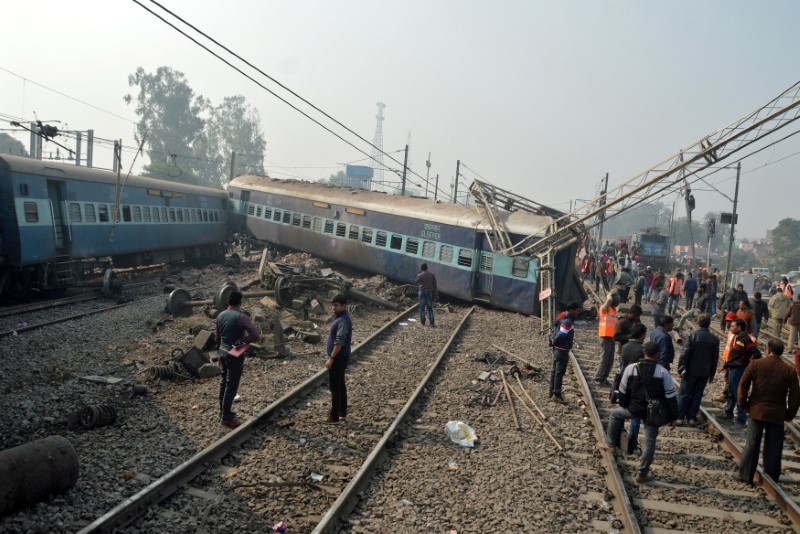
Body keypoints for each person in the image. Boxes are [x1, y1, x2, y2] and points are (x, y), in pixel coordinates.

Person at [598, 341, 679, 484]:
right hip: (653, 413)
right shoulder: (663, 372)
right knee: (650, 442)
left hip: (634, 408)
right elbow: (671, 397)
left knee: (615, 414)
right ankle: (642, 473)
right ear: (657, 355)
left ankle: (610, 444)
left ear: (644, 353)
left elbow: (622, 391)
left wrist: (625, 405)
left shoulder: (631, 368)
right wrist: (674, 417)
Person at [737, 339, 800, 484]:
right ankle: (771, 479)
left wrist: (743, 403)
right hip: (777, 413)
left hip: (756, 410)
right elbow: (795, 395)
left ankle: (746, 476)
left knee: (752, 444)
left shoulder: (756, 364)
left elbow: (743, 384)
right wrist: (790, 413)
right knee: (774, 447)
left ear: (767, 349)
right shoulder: (789, 370)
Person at [215, 290, 261, 428]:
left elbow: (217, 338)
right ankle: (227, 417)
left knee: (224, 382)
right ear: (240, 302)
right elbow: (255, 334)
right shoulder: (241, 317)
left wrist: (219, 355)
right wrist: (242, 341)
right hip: (234, 354)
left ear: (227, 301)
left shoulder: (220, 315)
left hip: (222, 352)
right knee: (231, 385)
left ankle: (222, 411)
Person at [676, 313, 719, 425]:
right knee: (697, 394)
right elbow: (715, 358)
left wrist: (681, 369)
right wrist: (712, 374)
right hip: (704, 372)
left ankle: (680, 417)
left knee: (684, 393)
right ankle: (691, 417)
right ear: (709, 324)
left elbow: (685, 354)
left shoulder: (692, 336)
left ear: (698, 323)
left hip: (690, 371)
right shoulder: (714, 339)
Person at [723, 318, 762, 425]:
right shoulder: (737, 337)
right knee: (731, 393)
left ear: (739, 327)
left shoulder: (746, 339)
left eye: (732, 326)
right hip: (733, 369)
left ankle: (741, 418)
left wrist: (746, 364)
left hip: (738, 370)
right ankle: (729, 413)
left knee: (738, 394)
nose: (730, 328)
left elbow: (757, 354)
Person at [620, 322, 647, 454]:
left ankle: (620, 439)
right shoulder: (643, 350)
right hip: (637, 386)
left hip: (626, 384)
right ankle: (632, 444)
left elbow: (622, 365)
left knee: (622, 412)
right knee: (635, 418)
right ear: (642, 335)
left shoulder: (624, 346)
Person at [325, 293, 353, 424]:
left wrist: (331, 358)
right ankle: (342, 412)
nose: (333, 308)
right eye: (333, 306)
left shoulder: (342, 320)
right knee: (340, 385)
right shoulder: (341, 317)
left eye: (336, 306)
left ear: (344, 306)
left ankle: (334, 416)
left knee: (334, 387)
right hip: (342, 357)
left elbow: (340, 342)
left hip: (338, 358)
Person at [549, 302, 582, 403]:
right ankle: (557, 394)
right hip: (561, 349)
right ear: (572, 310)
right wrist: (555, 342)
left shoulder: (563, 315)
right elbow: (562, 335)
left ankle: (551, 392)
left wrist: (554, 343)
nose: (578, 312)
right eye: (577, 310)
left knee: (555, 371)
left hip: (558, 348)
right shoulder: (568, 321)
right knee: (559, 372)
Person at [593, 293, 620, 386]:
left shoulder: (614, 311)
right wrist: (610, 295)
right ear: (612, 302)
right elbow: (608, 301)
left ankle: (603, 378)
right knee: (604, 359)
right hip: (605, 337)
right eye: (616, 301)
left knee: (611, 360)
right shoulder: (605, 309)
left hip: (612, 337)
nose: (618, 303)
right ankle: (597, 377)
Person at [415, 263, 438, 327]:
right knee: (430, 308)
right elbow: (435, 285)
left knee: (422, 308)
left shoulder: (420, 275)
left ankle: (423, 322)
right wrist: (436, 294)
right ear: (427, 268)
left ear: (421, 268)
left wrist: (419, 274)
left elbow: (416, 282)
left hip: (422, 292)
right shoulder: (432, 275)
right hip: (429, 292)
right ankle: (432, 323)